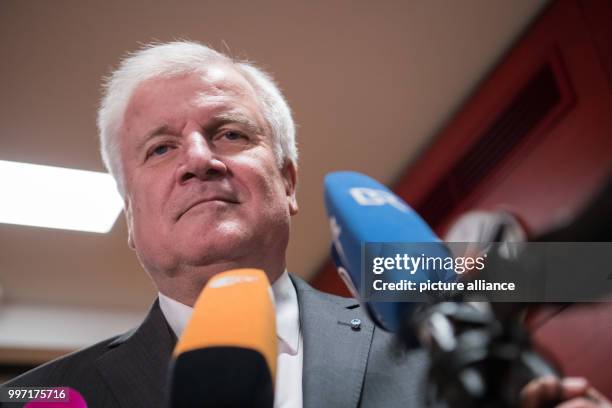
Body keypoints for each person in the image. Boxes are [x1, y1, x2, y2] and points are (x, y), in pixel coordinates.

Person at [1, 41, 609, 408]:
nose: (199, 159)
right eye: (159, 149)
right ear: (130, 218)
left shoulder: (437, 333)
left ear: (288, 182)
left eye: (230, 133)